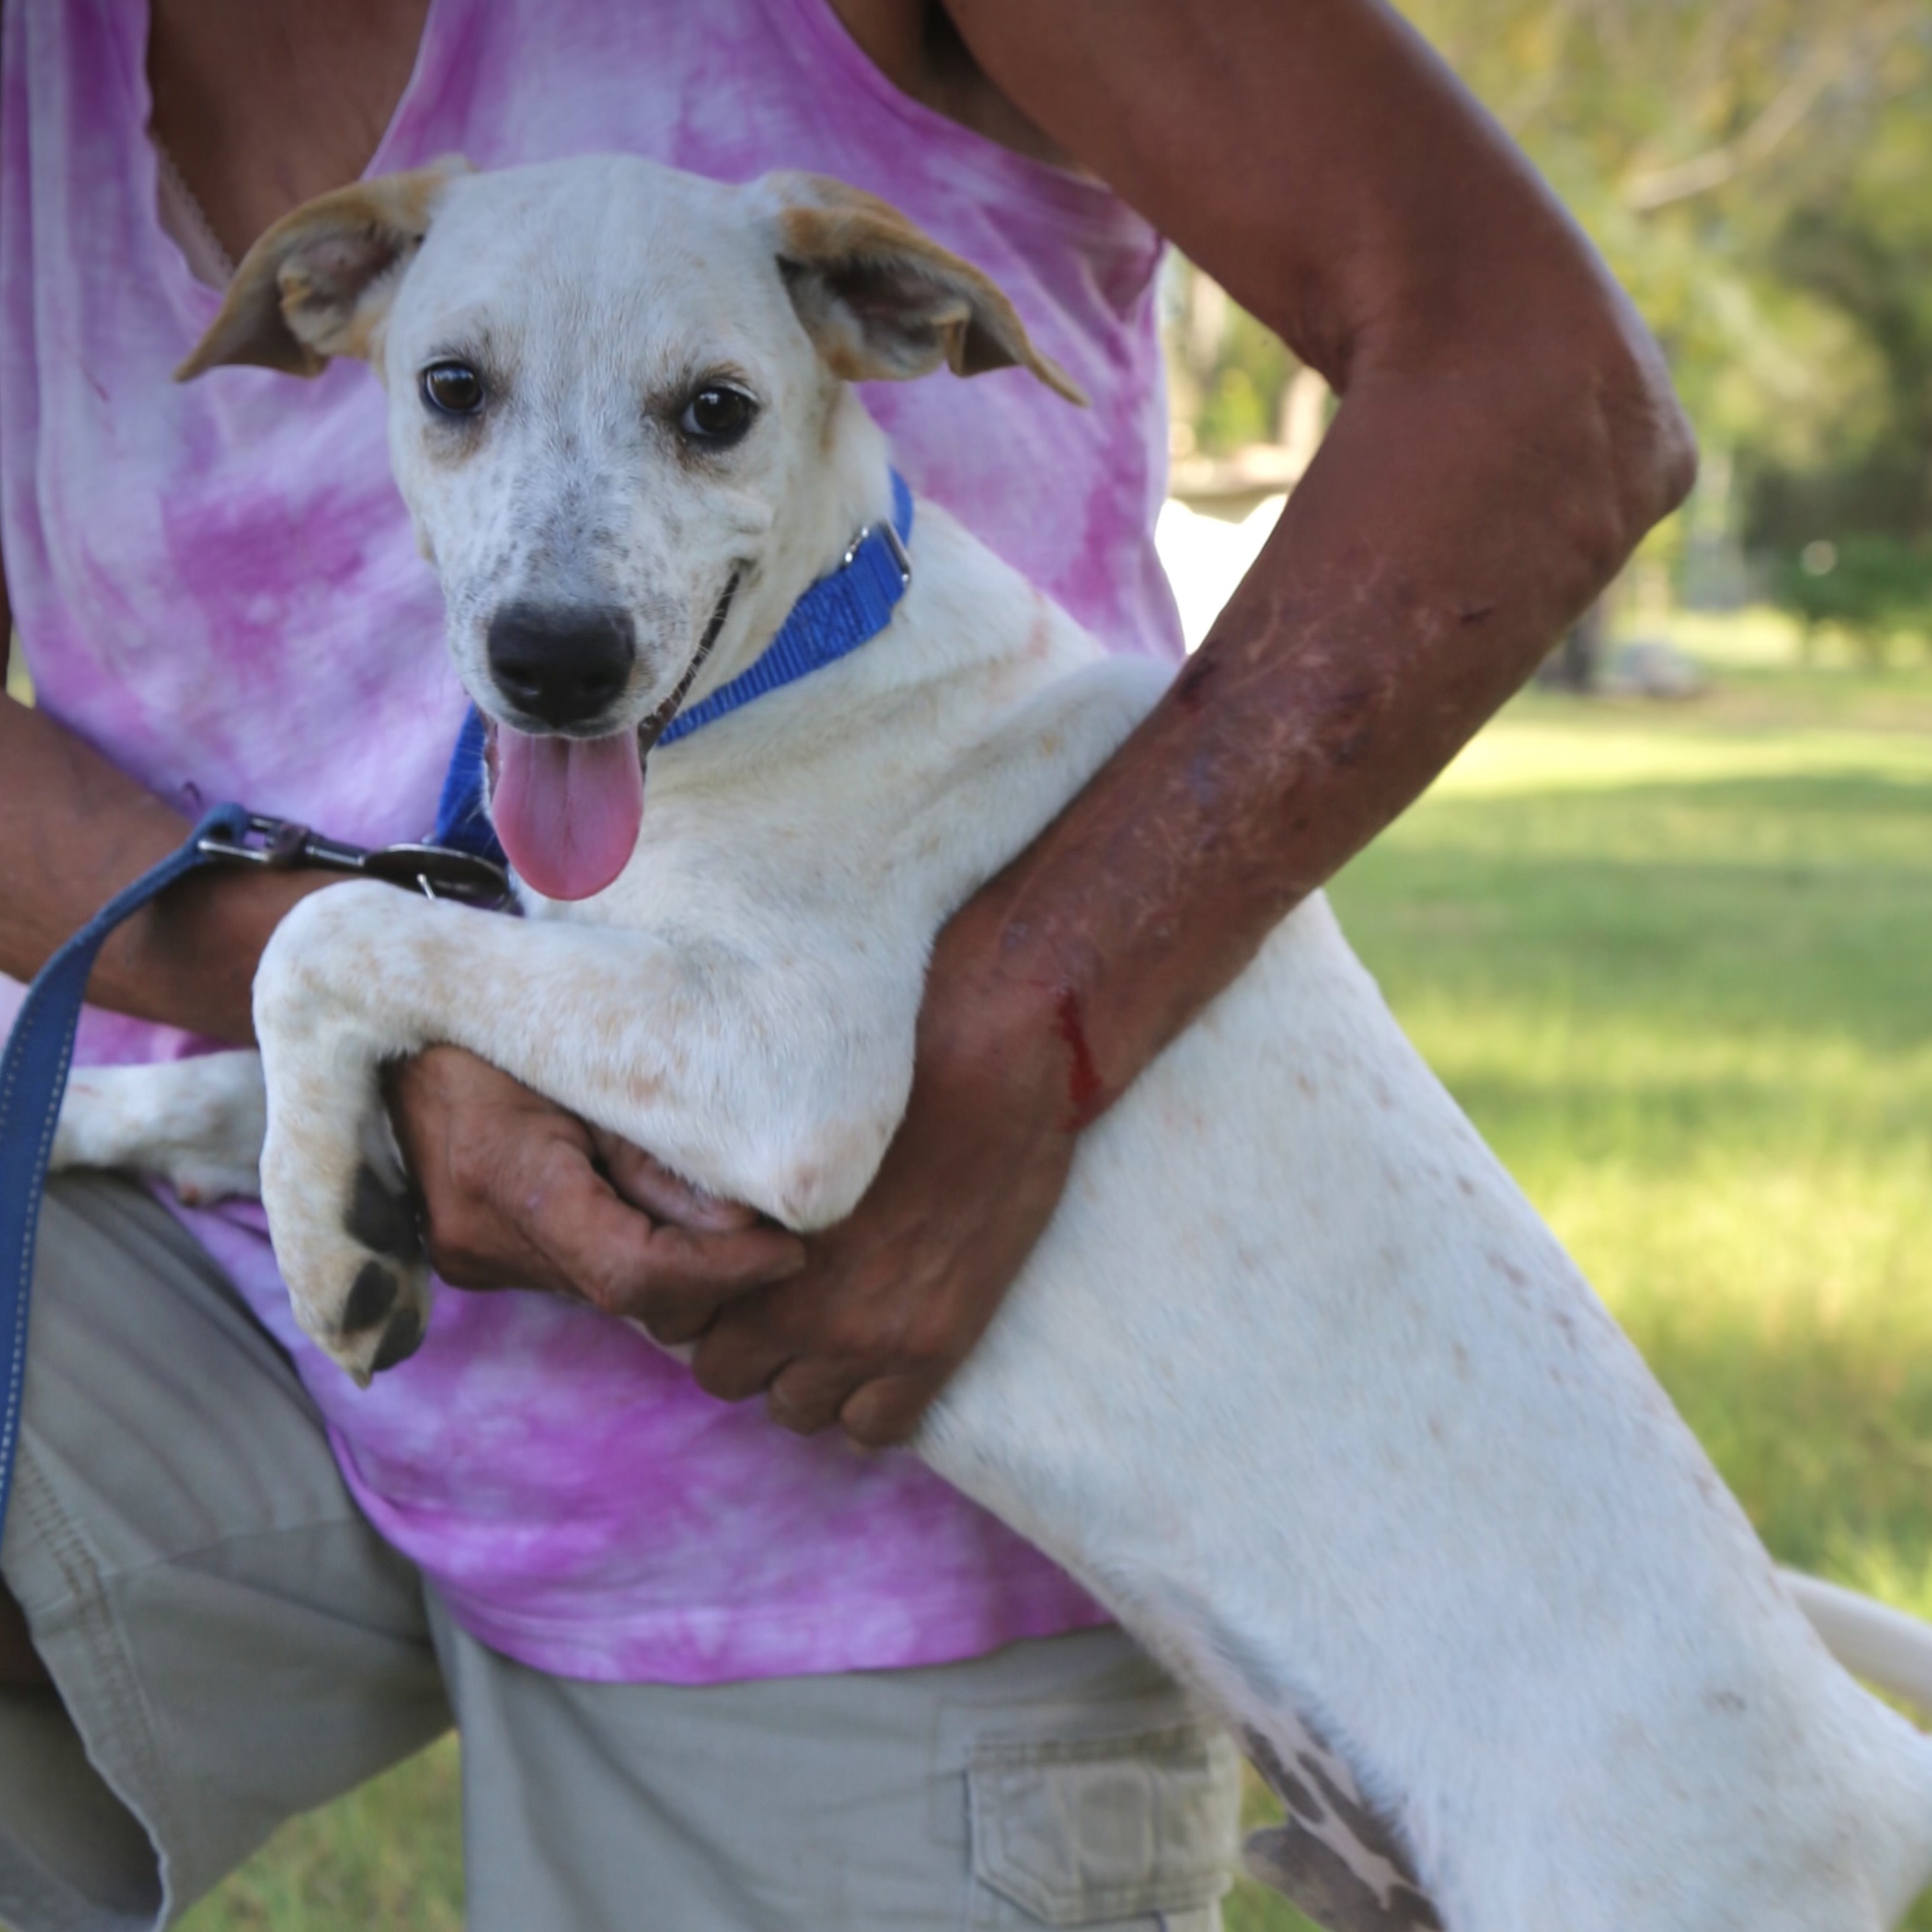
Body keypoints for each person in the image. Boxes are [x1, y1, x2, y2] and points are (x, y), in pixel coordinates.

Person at [0, 1, 1695, 1925]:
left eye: (707, 413)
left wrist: (1024, 1041)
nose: (555, 595)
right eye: (456, 391)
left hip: (866, 1424)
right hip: (243, 1250)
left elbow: (1546, 388)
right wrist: (350, 998)